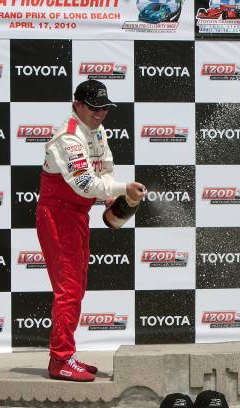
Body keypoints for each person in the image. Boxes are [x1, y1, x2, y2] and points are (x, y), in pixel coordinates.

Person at [36, 79, 146, 382]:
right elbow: (85, 184)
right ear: (78, 105)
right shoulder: (68, 139)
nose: (100, 113)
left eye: (104, 108)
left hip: (77, 215)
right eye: (94, 107)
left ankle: (67, 355)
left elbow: (104, 172)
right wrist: (123, 188)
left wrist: (114, 197)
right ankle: (59, 360)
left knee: (76, 289)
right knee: (68, 290)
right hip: (57, 216)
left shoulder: (97, 133)